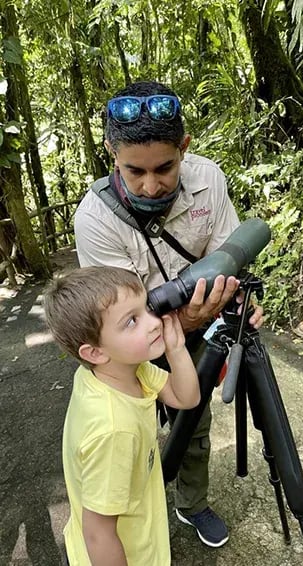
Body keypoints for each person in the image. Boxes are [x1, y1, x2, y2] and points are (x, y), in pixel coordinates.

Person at [74, 80, 264, 547]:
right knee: (129, 435)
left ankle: (191, 503)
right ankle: (130, 522)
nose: (150, 184)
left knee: (194, 420)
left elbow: (229, 254)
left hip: (197, 326)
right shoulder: (95, 219)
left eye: (165, 167)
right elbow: (117, 320)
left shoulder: (209, 180)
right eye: (133, 171)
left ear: (185, 147)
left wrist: (236, 302)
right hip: (128, 343)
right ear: (110, 152)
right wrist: (191, 320)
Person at [43, 266, 200, 565]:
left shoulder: (122, 370)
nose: (154, 323)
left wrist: (177, 349)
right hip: (125, 553)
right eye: (132, 321)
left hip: (136, 533)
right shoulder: (115, 431)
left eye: (146, 308)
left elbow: (185, 397)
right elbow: (99, 535)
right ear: (95, 352)